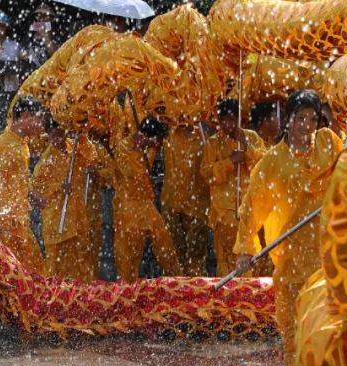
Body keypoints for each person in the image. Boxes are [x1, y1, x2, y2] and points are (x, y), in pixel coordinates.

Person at [233, 90, 342, 366]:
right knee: (294, 328)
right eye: (300, 118)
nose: (307, 126)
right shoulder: (273, 162)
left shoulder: (328, 143)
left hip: (328, 253)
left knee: (331, 322)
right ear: (288, 120)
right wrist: (245, 249)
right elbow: (252, 208)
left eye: (313, 119)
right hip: (292, 258)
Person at [103, 117, 182, 281]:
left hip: (145, 204)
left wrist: (151, 148)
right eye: (150, 140)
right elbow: (131, 173)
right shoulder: (122, 148)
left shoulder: (146, 149)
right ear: (142, 136)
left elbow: (146, 169)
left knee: (164, 241)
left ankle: (176, 278)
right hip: (127, 207)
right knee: (129, 253)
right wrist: (143, 149)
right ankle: (127, 286)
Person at [0, 97, 45, 273]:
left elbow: (18, 181)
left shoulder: (21, 144)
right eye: (38, 119)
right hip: (4, 221)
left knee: (24, 269)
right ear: (25, 115)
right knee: (14, 270)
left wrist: (32, 196)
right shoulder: (6, 144)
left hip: (17, 219)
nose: (41, 125)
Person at [30, 115, 104, 282]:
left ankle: (80, 293)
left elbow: (92, 158)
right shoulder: (47, 159)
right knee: (57, 264)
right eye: (54, 136)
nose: (58, 140)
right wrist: (58, 187)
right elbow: (35, 190)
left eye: (60, 134)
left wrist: (82, 136)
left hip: (76, 215)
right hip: (57, 218)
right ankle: (57, 294)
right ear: (48, 135)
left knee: (81, 258)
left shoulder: (74, 146)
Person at [199, 100, 267, 275]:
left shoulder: (251, 137)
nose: (227, 124)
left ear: (238, 118)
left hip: (248, 209)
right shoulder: (213, 143)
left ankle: (248, 291)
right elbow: (206, 173)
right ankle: (227, 291)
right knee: (226, 261)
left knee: (250, 257)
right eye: (223, 120)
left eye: (231, 119)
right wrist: (230, 162)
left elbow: (265, 166)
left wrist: (247, 148)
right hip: (223, 212)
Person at [159, 122, 212, 275]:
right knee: (173, 255)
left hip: (198, 205)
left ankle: (195, 287)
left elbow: (209, 168)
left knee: (196, 255)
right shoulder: (168, 135)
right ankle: (173, 287)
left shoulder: (204, 138)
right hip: (172, 203)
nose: (183, 116)